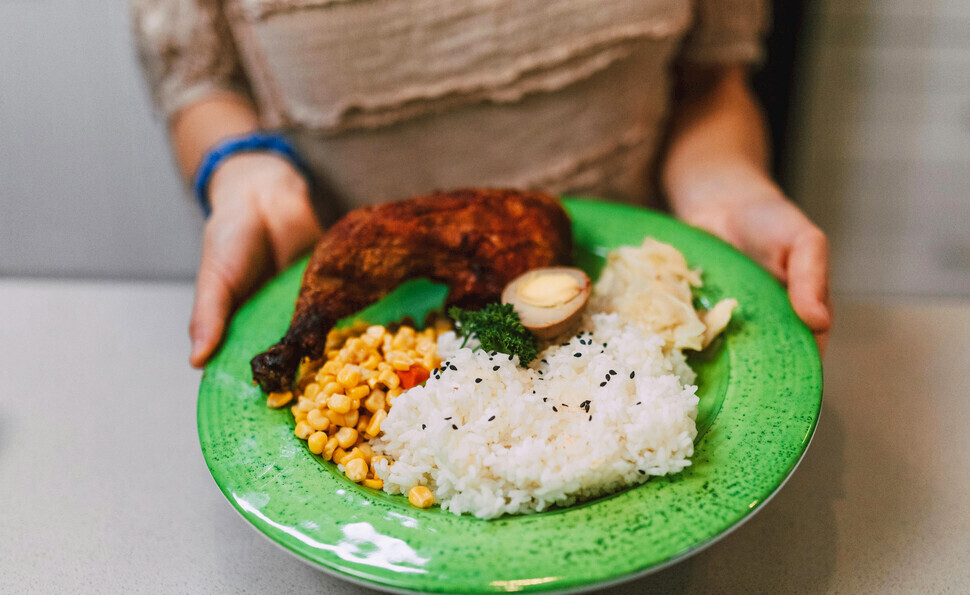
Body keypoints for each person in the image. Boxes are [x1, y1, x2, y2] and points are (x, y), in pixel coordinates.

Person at [131, 0, 831, 366]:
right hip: (370, 323)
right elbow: (200, 80)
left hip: (621, 308)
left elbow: (710, 80)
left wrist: (725, 184)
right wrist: (243, 166)